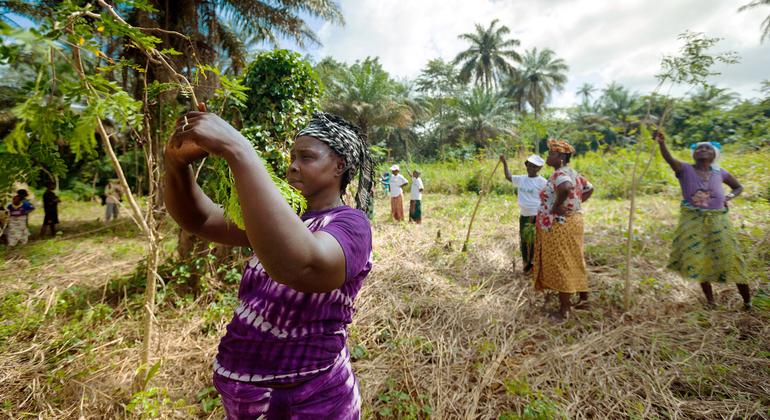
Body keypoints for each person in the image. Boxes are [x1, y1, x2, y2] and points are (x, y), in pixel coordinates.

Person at [164, 106, 374, 419]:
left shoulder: (351, 225)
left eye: (306, 157)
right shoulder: (281, 219)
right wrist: (175, 162)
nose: (292, 167)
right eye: (292, 157)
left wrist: (239, 150)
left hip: (311, 401)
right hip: (248, 398)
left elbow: (302, 266)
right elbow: (201, 217)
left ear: (338, 166)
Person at [656, 133, 750, 309]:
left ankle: (748, 302)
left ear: (714, 154)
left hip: (718, 221)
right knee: (701, 260)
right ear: (693, 154)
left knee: (732, 259)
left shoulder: (720, 172)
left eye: (707, 147)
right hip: (694, 222)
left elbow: (738, 187)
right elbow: (669, 159)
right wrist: (662, 143)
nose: (703, 150)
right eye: (699, 147)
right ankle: (710, 302)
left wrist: (729, 196)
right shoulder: (684, 169)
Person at [533, 139, 594, 320]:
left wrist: (556, 207)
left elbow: (566, 187)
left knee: (562, 262)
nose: (547, 157)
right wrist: (575, 204)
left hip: (560, 224)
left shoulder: (560, 174)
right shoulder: (573, 172)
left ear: (560, 157)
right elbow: (589, 188)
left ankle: (565, 309)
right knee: (575, 258)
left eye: (551, 154)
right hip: (574, 220)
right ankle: (584, 299)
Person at [500, 154, 547, 273]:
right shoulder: (521, 179)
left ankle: (534, 265)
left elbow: (548, 198)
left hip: (535, 215)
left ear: (539, 168)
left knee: (532, 240)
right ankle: (527, 264)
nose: (530, 168)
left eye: (534, 166)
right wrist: (504, 163)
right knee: (524, 239)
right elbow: (509, 176)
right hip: (524, 214)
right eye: (529, 165)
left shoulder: (542, 182)